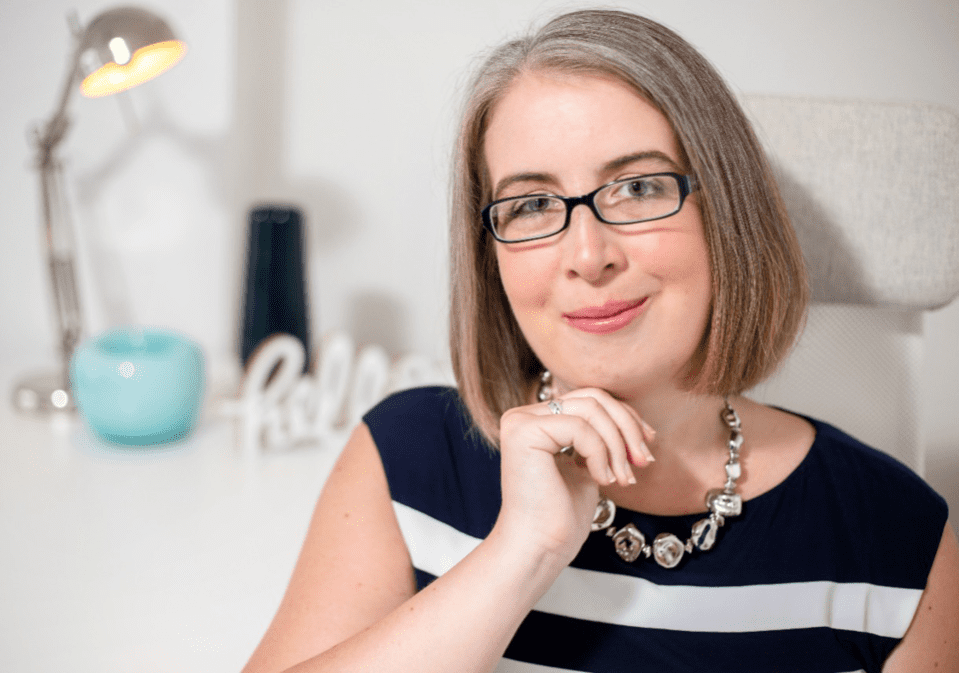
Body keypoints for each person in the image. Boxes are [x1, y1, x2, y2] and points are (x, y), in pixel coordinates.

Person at [243, 9, 959, 672]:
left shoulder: (898, 540)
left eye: (639, 188)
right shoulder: (405, 458)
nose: (588, 256)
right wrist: (521, 553)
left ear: (727, 212)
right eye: (530, 204)